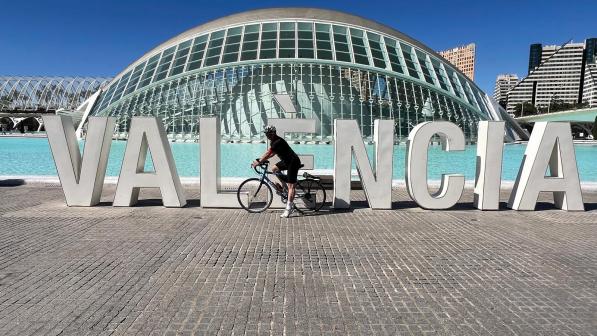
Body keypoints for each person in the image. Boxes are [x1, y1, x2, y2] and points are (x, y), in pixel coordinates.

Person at [252, 125, 301, 218]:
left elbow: (267, 153)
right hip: (286, 161)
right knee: (274, 169)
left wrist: (259, 162)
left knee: (291, 186)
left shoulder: (277, 141)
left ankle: (289, 209)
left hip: (293, 162)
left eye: (268, 134)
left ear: (273, 133)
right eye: (266, 134)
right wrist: (262, 160)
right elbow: (272, 153)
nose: (267, 136)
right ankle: (284, 187)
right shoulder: (274, 141)